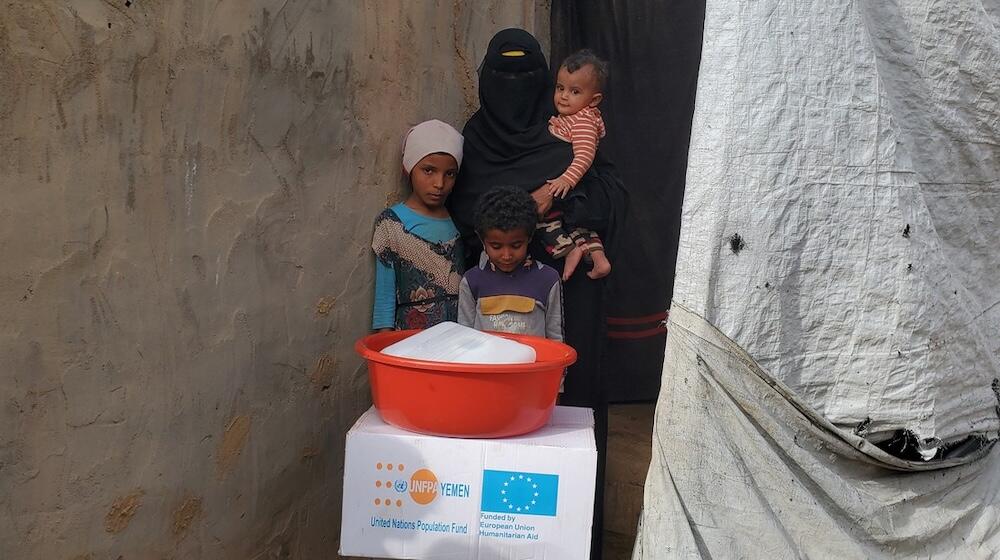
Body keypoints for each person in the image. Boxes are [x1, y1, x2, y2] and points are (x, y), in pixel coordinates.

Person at [447, 28, 627, 560]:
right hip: (494, 310)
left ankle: (570, 544)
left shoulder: (570, 132)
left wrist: (563, 206)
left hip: (567, 304)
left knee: (566, 424)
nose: (514, 87)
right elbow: (464, 211)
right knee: (496, 429)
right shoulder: (475, 139)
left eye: (527, 76)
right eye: (503, 76)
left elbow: (613, 197)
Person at [370, 119, 465, 331]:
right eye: (428, 170)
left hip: (458, 339)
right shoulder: (391, 223)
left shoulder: (459, 220)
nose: (439, 183)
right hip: (412, 340)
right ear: (409, 168)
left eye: (449, 174)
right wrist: (385, 343)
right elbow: (384, 297)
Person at [538, 49, 612, 281]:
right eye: (560, 88)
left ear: (594, 99)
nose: (564, 96)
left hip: (570, 187)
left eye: (575, 91)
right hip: (571, 188)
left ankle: (568, 252)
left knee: (545, 221)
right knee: (579, 227)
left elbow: (584, 156)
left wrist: (566, 180)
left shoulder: (583, 122)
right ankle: (599, 260)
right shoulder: (575, 117)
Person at [457, 186, 563, 342]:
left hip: (532, 366)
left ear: (530, 237)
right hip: (486, 365)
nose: (506, 256)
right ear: (481, 240)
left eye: (516, 245)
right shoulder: (472, 281)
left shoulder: (547, 279)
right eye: (496, 246)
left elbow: (555, 338)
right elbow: (464, 338)